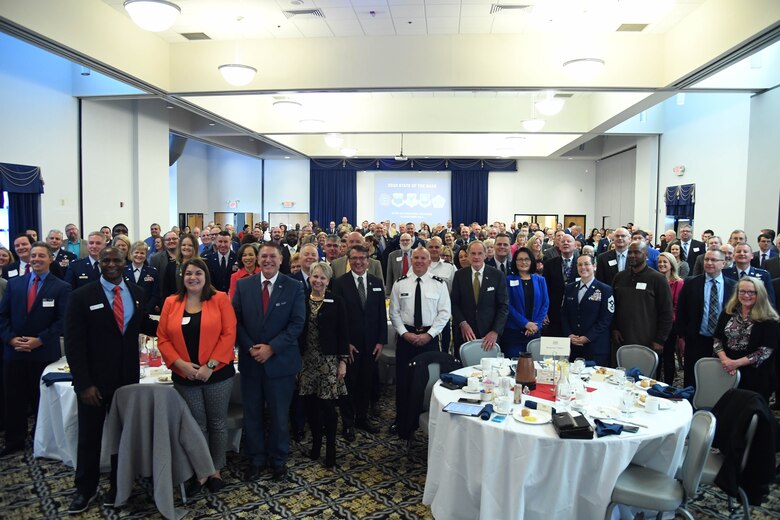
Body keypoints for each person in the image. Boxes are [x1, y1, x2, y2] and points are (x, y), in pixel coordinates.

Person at [64, 247, 158, 513]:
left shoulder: (137, 293)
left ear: (124, 262)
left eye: (117, 260)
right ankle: (85, 489)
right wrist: (84, 383)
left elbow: (143, 326)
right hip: (94, 384)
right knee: (89, 437)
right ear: (99, 263)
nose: (111, 264)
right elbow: (73, 345)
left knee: (122, 437)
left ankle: (119, 485)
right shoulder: (82, 296)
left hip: (126, 381)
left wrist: (180, 323)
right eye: (106, 260)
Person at [157, 258, 237, 495]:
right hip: (185, 376)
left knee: (217, 423)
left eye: (198, 273)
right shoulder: (171, 302)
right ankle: (201, 471)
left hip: (218, 374)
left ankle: (216, 470)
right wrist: (181, 364)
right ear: (182, 277)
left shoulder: (220, 298)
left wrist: (209, 366)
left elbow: (229, 333)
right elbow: (163, 338)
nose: (193, 277)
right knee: (196, 425)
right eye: (188, 273)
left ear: (206, 276)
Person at [232, 243, 305, 482]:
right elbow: (236, 321)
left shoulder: (293, 287)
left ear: (280, 259)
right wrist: (251, 347)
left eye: (272, 256)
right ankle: (256, 459)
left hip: (280, 363)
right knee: (252, 414)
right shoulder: (243, 286)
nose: (267, 260)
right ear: (257, 259)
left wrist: (272, 348)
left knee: (278, 415)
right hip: (251, 361)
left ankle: (278, 460)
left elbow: (297, 323)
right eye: (264, 256)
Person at [0, 242, 70, 456]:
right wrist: (11, 340)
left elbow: (62, 321)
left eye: (41, 255)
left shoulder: (61, 287)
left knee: (41, 400)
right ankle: (14, 440)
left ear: (50, 259)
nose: (36, 259)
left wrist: (39, 340)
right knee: (14, 398)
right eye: (33, 255)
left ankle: (41, 439)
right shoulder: (15, 285)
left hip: (43, 353)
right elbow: (3, 316)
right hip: (14, 352)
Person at [388, 246, 450, 435]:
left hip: (429, 339)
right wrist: (403, 333)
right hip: (406, 338)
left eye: (424, 258)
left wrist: (429, 334)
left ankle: (426, 421)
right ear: (411, 260)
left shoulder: (439, 284)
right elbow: (394, 312)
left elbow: (444, 313)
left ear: (429, 261)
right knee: (404, 382)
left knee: (427, 383)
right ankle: (402, 423)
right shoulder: (400, 283)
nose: (420, 261)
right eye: (416, 258)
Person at [298, 262, 349, 467]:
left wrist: (343, 361)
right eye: (315, 277)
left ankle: (331, 450)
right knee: (311, 406)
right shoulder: (301, 300)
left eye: (322, 278)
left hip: (329, 362)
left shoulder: (337, 301)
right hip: (307, 361)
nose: (318, 281)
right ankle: (316, 445)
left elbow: (343, 332)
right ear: (310, 278)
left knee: (328, 408)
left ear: (328, 281)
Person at [333, 245, 387, 436]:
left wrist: (381, 341)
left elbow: (381, 313)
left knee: (366, 383)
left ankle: (362, 418)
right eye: (354, 258)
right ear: (349, 260)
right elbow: (337, 318)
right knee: (348, 386)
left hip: (372, 345)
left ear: (368, 260)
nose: (358, 262)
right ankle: (348, 423)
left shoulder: (377, 282)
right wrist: (344, 343)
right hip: (350, 346)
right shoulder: (339, 283)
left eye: (362, 258)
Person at [713, 277, 779, 401]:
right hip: (727, 370)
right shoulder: (728, 312)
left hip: (756, 374)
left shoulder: (769, 319)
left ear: (759, 294)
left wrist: (735, 363)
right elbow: (717, 339)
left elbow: (765, 351)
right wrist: (725, 360)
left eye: (751, 292)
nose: (746, 295)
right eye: (742, 291)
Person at [612, 241, 674, 369]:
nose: (632, 255)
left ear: (646, 255)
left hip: (647, 338)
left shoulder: (657, 279)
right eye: (630, 252)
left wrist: (660, 339)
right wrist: (614, 328)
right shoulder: (619, 277)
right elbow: (613, 306)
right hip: (621, 337)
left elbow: (667, 312)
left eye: (637, 252)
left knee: (644, 379)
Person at [450, 241, 508, 355]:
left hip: (489, 336)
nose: (476, 257)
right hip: (465, 334)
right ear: (468, 255)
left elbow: (503, 306)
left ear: (485, 255)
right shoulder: (459, 275)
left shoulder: (497, 275)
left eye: (480, 253)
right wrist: (463, 323)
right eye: (473, 253)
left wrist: (495, 331)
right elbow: (454, 303)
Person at [561, 254, 614, 366]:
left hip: (596, 346)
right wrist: (569, 334)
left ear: (594, 266)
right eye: (579, 265)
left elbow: (606, 319)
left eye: (586, 264)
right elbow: (564, 314)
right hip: (574, 345)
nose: (583, 267)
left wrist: (588, 337)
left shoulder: (605, 289)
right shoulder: (570, 288)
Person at [502, 247, 549, 358]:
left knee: (535, 367)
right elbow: (507, 305)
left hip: (535, 332)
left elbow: (545, 303)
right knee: (514, 367)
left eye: (527, 259)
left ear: (532, 261)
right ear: (515, 262)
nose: (524, 262)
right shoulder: (508, 280)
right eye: (520, 259)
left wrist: (535, 325)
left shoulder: (540, 280)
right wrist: (525, 323)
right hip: (514, 333)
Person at [542, 233, 578, 336]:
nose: (566, 243)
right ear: (558, 245)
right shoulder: (549, 264)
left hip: (576, 313)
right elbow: (545, 289)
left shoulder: (581, 264)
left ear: (575, 245)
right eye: (563, 241)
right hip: (554, 312)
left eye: (569, 241)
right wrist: (545, 312)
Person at [657, 252, 684, 384]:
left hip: (670, 325)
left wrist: (667, 322)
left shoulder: (678, 283)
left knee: (668, 356)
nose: (662, 264)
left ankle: (668, 384)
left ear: (671, 264)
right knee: (655, 356)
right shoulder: (654, 280)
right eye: (660, 262)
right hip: (654, 324)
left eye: (665, 262)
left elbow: (677, 306)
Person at [124, 241, 160, 314]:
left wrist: (147, 309)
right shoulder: (123, 271)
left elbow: (156, 294)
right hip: (127, 311)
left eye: (142, 253)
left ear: (146, 255)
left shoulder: (152, 272)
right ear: (131, 254)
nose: (139, 255)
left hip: (147, 311)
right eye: (136, 252)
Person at [162, 233, 199, 300]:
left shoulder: (201, 265)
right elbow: (165, 289)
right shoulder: (171, 265)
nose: (186, 247)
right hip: (176, 302)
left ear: (195, 247)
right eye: (183, 245)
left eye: (190, 245)